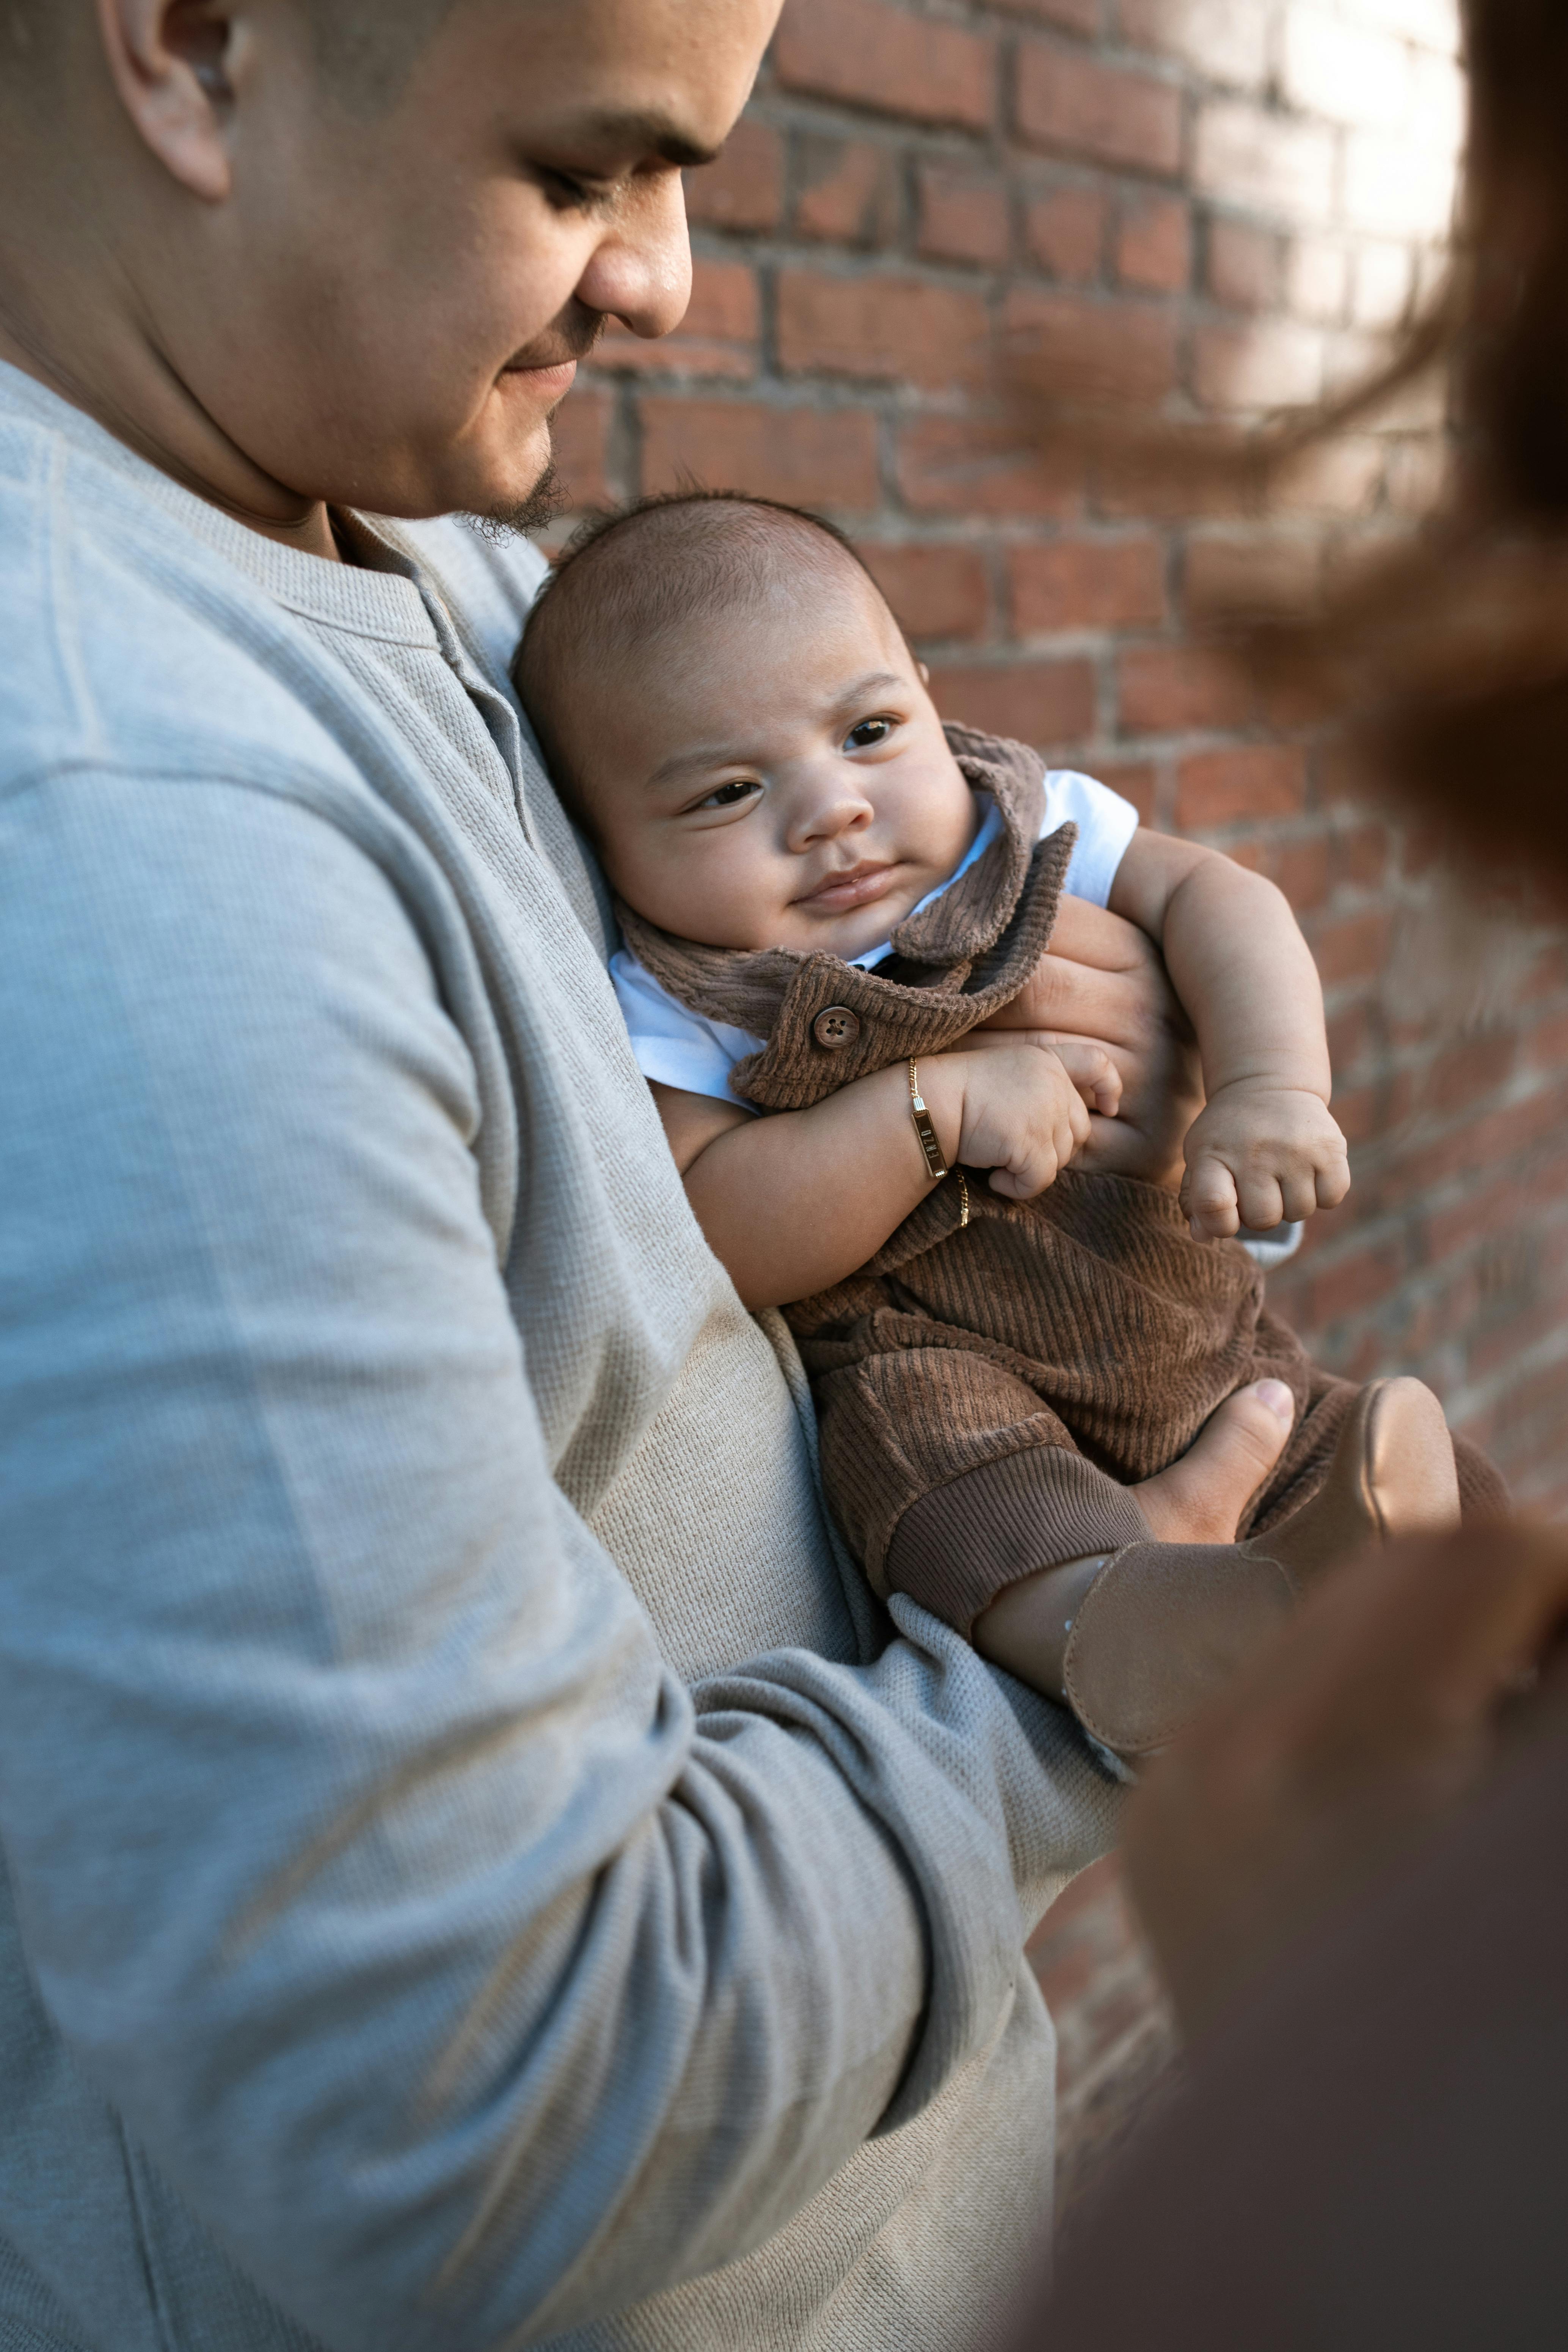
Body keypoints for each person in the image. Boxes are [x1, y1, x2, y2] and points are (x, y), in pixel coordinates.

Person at [0, 5, 1293, 2349]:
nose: (668, 283)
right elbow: (469, 2104)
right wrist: (1091, 1658)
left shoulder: (446, 573)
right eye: (590, 171)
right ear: (193, 51)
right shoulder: (118, 830)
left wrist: (1066, 993)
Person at [514, 487, 1497, 1765]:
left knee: (1415, 1484)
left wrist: (1270, 1087)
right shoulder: (682, 996)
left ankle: (1409, 1632)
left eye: (870, 729)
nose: (830, 810)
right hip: (943, 1368)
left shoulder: (1027, 831)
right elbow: (716, 1230)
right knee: (942, 1487)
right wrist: (932, 1108)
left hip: (1200, 1331)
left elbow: (1221, 899)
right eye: (724, 794)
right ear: (608, 847)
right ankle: (1127, 1634)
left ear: (929, 696)